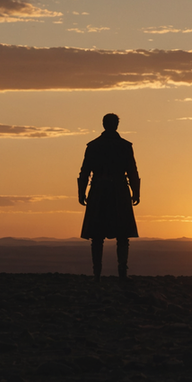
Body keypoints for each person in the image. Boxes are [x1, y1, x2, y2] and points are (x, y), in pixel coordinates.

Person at [77, 113, 140, 281]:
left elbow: (85, 171)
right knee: (122, 234)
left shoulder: (94, 146)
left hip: (99, 191)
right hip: (119, 191)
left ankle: (97, 272)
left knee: (98, 235)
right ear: (116, 125)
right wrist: (136, 191)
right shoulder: (124, 146)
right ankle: (122, 272)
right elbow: (132, 170)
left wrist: (82, 191)